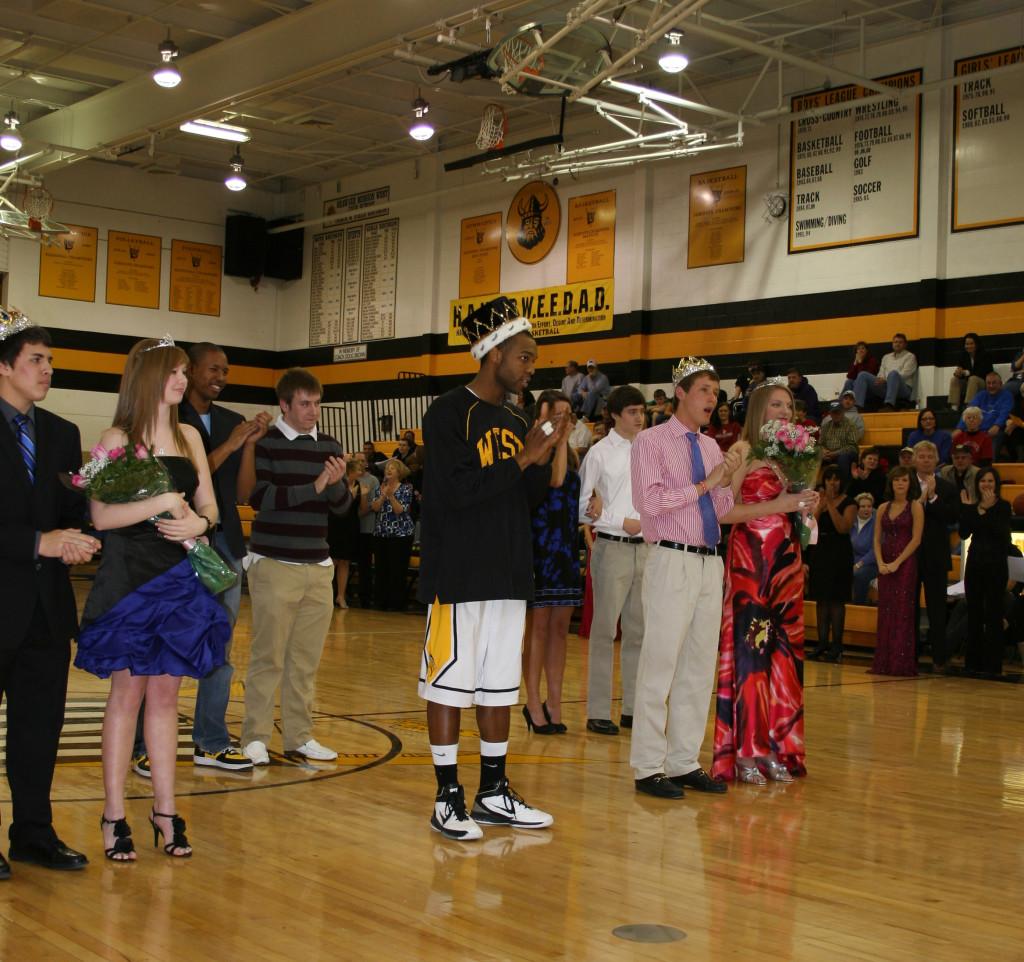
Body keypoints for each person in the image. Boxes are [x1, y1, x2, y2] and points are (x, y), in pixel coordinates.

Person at [416, 296, 567, 840]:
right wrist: (525, 455)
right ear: (495, 353)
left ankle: (493, 792)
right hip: (457, 571)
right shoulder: (449, 411)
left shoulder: (516, 416)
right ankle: (446, 796)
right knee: (449, 684)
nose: (531, 368)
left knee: (499, 687)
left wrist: (547, 451)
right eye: (524, 357)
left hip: (507, 571)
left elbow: (522, 497)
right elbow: (454, 491)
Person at [76, 335, 230, 860]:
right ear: (147, 376)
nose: (182, 380)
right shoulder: (114, 437)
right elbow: (98, 517)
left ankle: (166, 811)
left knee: (167, 698)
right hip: (130, 583)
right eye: (173, 371)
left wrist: (199, 520)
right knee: (128, 696)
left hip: (180, 582)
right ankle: (114, 813)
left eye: (185, 371)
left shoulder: (189, 435)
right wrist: (161, 502)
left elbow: (211, 506)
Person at [131, 342, 270, 778]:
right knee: (154, 645)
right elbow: (195, 475)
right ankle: (141, 746)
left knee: (219, 645)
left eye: (226, 371)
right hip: (165, 547)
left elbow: (242, 494)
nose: (221, 377)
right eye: (213, 369)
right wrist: (231, 443)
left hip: (220, 545)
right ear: (188, 372)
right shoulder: (169, 417)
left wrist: (248, 446)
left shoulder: (231, 420)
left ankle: (210, 741)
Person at [0, 311, 99, 878]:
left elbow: (70, 513)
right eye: (36, 360)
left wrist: (87, 531)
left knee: (40, 732)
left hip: (46, 613)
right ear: (6, 365)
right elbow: (40, 532)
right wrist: (41, 542)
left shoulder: (62, 434)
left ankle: (33, 833)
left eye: (51, 361)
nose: (47, 370)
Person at [628, 358, 745, 799]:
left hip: (707, 560)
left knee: (699, 664)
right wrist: (705, 484)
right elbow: (649, 503)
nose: (712, 400)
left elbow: (719, 511)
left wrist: (727, 478)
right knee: (660, 662)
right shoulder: (650, 442)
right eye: (704, 391)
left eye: (716, 393)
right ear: (680, 392)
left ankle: (682, 761)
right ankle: (647, 766)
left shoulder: (712, 446)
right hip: (671, 558)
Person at [238, 367, 351, 767]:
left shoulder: (331, 444)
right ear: (284, 405)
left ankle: (299, 736)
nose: (313, 411)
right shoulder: (267, 444)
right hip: (274, 563)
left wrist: (337, 484)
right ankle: (254, 735)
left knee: (305, 660)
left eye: (317, 403)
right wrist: (316, 486)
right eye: (305, 403)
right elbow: (261, 497)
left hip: (318, 565)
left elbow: (341, 508)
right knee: (268, 656)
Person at [710, 380, 819, 785]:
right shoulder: (742, 451)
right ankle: (745, 752)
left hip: (785, 564)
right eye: (776, 404)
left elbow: (791, 510)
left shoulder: (788, 456)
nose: (785, 411)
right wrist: (782, 503)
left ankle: (777, 745)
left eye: (789, 405)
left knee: (783, 657)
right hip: (750, 563)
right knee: (752, 657)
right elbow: (723, 514)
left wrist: (806, 508)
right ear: (758, 409)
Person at [577, 385, 648, 735]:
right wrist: (620, 521)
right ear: (616, 415)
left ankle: (633, 708)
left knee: (639, 631)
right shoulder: (599, 453)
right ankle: (598, 710)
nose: (639, 418)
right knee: (605, 629)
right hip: (612, 545)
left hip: (646, 547)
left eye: (642, 411)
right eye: (633, 412)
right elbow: (582, 506)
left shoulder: (652, 449)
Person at [522, 390, 578, 735]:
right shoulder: (540, 450)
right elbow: (555, 481)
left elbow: (574, 490)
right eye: (559, 415)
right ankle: (532, 701)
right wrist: (557, 440)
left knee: (560, 630)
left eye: (569, 415)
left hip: (566, 546)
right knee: (538, 629)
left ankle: (555, 702)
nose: (565, 421)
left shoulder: (570, 452)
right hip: (540, 545)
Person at [870, 467, 924, 676]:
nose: (900, 484)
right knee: (886, 610)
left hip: (906, 563)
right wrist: (880, 562)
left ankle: (900, 663)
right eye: (896, 480)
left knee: (902, 611)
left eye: (904, 480)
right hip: (885, 563)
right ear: (891, 483)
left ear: (910, 484)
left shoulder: (915, 507)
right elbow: (876, 539)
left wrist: (897, 563)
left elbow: (916, 539)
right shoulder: (883, 507)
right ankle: (883, 661)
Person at [959, 467, 1012, 677]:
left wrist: (986, 511)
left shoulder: (1004, 507)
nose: (987, 484)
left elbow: (1000, 534)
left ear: (996, 484)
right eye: (983, 481)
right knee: (974, 614)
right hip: (975, 565)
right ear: (977, 484)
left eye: (990, 481)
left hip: (996, 566)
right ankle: (972, 663)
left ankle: (993, 665)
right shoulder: (971, 506)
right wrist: (968, 511)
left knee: (993, 614)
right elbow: (964, 533)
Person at [913, 441, 958, 671]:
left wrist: (932, 498)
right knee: (908, 607)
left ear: (937, 459)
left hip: (936, 556)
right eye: (922, 455)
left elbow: (951, 517)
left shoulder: (947, 487)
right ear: (914, 459)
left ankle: (939, 658)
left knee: (937, 609)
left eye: (930, 456)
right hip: (909, 555)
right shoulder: (904, 483)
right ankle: (907, 656)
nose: (926, 459)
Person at [807, 466, 856, 663]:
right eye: (829, 479)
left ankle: (837, 645)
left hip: (840, 553)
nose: (832, 483)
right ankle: (821, 643)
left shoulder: (850, 502)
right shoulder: (818, 500)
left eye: (836, 479)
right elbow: (810, 528)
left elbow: (843, 527)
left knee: (836, 601)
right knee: (821, 601)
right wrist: (820, 506)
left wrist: (832, 506)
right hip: (820, 551)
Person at [370, 458, 415, 611]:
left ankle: (396, 604)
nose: (388, 470)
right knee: (382, 569)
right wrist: (383, 495)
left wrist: (390, 495)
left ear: (399, 472)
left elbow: (399, 510)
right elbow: (375, 508)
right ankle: (380, 602)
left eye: (392, 468)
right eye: (387, 468)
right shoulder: (380, 487)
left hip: (401, 535)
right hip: (381, 533)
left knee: (397, 570)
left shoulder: (406, 488)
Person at [328, 458, 363, 608]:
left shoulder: (359, 485)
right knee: (333, 560)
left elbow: (362, 509)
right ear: (350, 471)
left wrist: (363, 495)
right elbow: (336, 505)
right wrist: (350, 495)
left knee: (345, 561)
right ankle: (328, 596)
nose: (361, 472)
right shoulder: (339, 484)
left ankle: (341, 596)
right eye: (358, 470)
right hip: (336, 523)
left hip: (351, 524)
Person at [850, 333, 917, 411]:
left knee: (893, 374)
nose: (897, 344)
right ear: (892, 344)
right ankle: (857, 407)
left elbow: (905, 374)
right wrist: (879, 379)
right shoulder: (886, 357)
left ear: (905, 344)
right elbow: (881, 372)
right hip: (886, 386)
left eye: (900, 342)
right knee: (862, 375)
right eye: (895, 342)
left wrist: (885, 380)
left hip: (903, 389)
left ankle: (889, 405)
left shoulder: (910, 356)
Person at [960, 371, 1012, 461]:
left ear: (1001, 384)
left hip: (995, 431)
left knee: (992, 443)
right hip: (977, 431)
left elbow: (1004, 413)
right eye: (988, 383)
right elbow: (969, 411)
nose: (991, 386)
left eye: (994, 383)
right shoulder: (981, 395)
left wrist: (997, 425)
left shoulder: (1007, 396)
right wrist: (959, 427)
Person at [351, 451, 380, 608]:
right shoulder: (350, 478)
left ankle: (365, 597)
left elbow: (375, 504)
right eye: (358, 461)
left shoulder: (373, 480)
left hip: (367, 527)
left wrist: (363, 510)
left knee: (365, 565)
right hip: (351, 527)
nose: (361, 463)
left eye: (363, 461)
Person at [948, 332, 992, 412]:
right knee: (954, 379)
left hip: (982, 383)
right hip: (969, 383)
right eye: (967, 344)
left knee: (973, 378)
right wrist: (958, 373)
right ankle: (954, 407)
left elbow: (982, 373)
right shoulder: (963, 356)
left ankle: (969, 406)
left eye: (971, 344)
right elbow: (960, 371)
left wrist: (966, 373)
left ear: (977, 344)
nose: (969, 346)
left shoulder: (985, 355)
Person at [819, 401, 860, 481]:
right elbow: (820, 444)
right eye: (833, 413)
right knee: (812, 456)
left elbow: (852, 446)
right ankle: (813, 486)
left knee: (843, 458)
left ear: (843, 412)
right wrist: (823, 452)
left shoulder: (850, 425)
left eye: (838, 412)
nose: (836, 415)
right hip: (829, 454)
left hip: (846, 454)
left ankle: (844, 487)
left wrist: (835, 453)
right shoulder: (826, 426)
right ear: (830, 414)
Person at [851, 493, 879, 603]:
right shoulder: (851, 521)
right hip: (852, 560)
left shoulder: (877, 523)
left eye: (869, 506)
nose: (866, 509)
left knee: (860, 574)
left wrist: (859, 564)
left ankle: (859, 605)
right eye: (863, 506)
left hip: (871, 563)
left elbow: (875, 549)